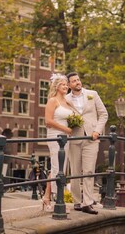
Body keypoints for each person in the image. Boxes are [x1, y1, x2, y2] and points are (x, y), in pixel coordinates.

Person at [66, 72, 108, 215]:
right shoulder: (65, 99)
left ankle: (88, 203)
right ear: (69, 85)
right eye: (73, 81)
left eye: (78, 79)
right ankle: (77, 201)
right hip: (74, 139)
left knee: (89, 171)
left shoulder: (92, 94)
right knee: (75, 171)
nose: (77, 82)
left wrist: (97, 131)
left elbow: (103, 114)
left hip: (91, 138)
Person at [42, 73, 73, 212]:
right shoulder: (52, 101)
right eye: (63, 84)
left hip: (66, 138)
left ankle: (46, 197)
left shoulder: (67, 102)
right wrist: (65, 129)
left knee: (60, 167)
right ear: (57, 86)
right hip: (55, 136)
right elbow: (48, 121)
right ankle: (57, 200)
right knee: (56, 166)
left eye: (67, 84)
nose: (66, 86)